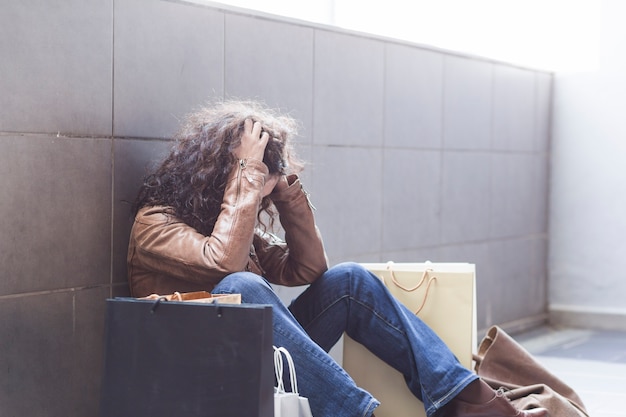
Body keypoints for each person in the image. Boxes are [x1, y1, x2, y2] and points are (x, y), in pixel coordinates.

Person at [127, 99, 547, 417]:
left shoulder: (234, 224)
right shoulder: (155, 223)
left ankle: (469, 402)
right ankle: (356, 411)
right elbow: (223, 265)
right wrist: (247, 177)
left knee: (349, 281)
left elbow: (308, 269)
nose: (254, 180)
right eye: (246, 170)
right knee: (241, 288)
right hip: (200, 368)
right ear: (222, 172)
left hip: (261, 357)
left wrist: (286, 189)